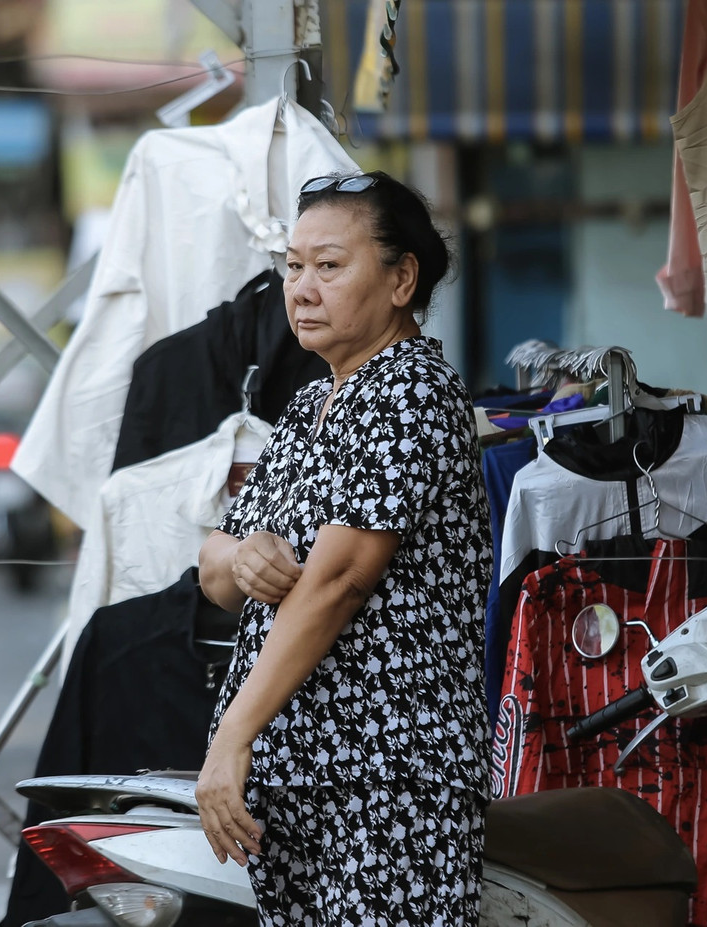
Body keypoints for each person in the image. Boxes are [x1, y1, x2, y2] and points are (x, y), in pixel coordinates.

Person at [195, 171, 492, 926]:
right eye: (293, 266)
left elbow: (339, 581)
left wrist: (232, 736)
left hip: (387, 786)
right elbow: (213, 569)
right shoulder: (310, 402)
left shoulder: (411, 389)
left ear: (401, 279)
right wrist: (242, 558)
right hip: (301, 786)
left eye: (329, 266)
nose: (301, 287)